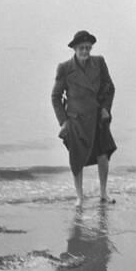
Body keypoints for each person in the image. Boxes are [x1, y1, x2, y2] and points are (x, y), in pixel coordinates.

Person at [51, 30, 117, 208]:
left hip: (97, 118)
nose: (85, 51)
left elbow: (110, 87)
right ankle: (79, 197)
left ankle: (103, 192)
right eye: (82, 48)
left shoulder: (99, 62)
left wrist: (105, 109)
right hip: (76, 121)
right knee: (77, 158)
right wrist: (63, 122)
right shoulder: (64, 68)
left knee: (103, 156)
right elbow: (56, 97)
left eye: (88, 48)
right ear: (74, 48)